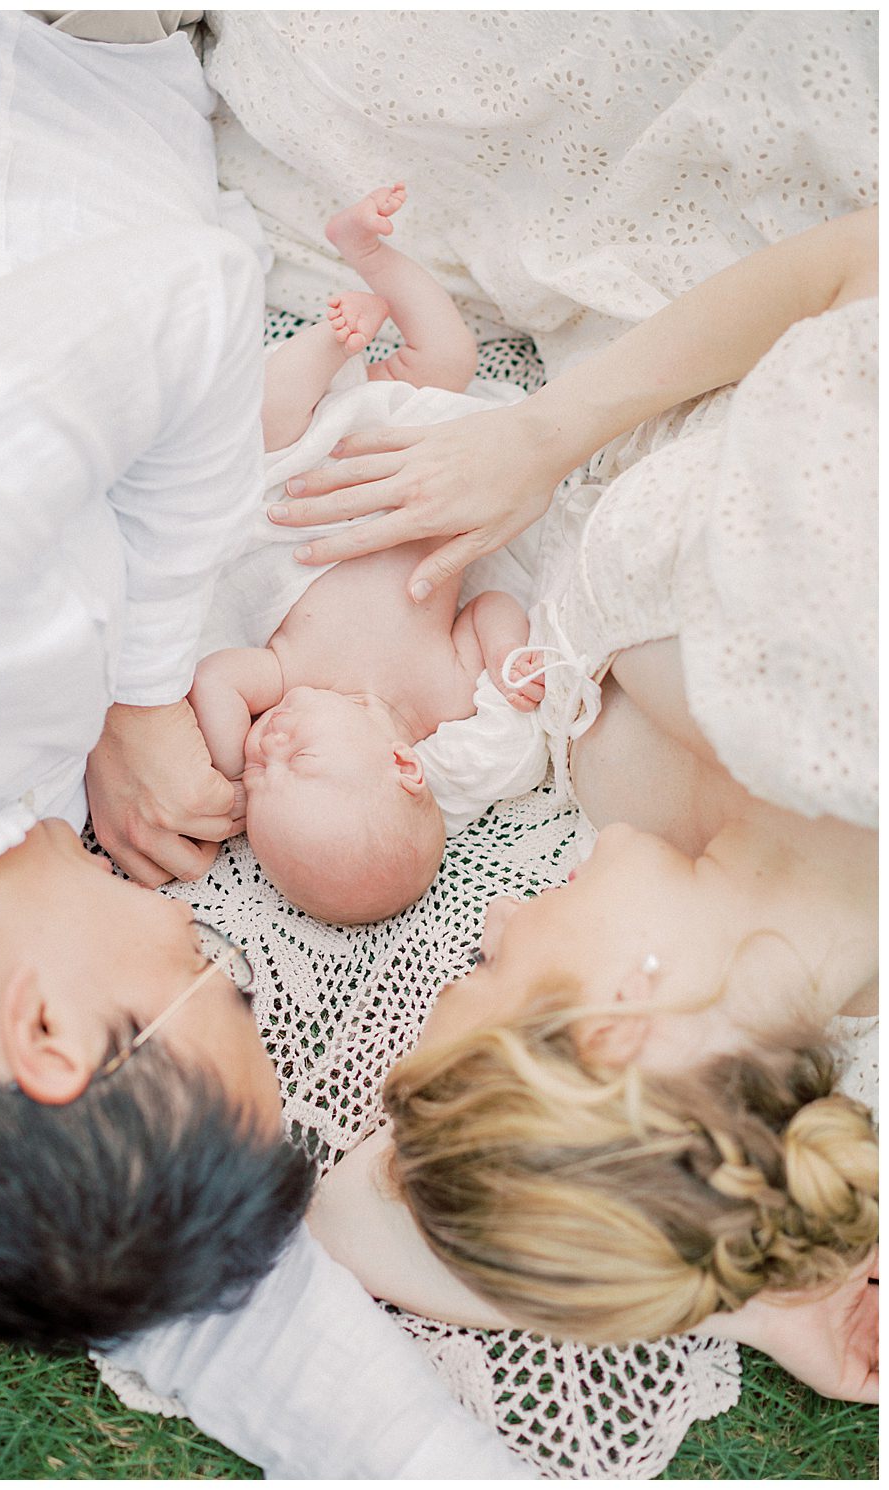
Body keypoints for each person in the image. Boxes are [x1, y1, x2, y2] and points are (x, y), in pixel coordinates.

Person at [0, 12, 545, 1478]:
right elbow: (208, 1307)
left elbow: (193, 296)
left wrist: (137, 692)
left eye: (209, 982)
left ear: (51, 1035)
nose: (208, 934)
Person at [300, 209, 877, 1395]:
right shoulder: (839, 681)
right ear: (615, 1029)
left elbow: (340, 1216)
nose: (489, 924)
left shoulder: (667, 856)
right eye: (491, 974)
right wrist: (547, 433)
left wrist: (727, 1283)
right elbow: (859, 260)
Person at [192, 185, 546, 922]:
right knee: (449, 357)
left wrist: (225, 769)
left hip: (314, 463)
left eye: (260, 780)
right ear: (402, 766)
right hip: (415, 455)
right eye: (302, 762)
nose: (269, 753)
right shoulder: (443, 701)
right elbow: (488, 605)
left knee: (265, 420)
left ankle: (328, 343)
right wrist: (511, 658)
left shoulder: (287, 679)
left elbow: (218, 677)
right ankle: (368, 251)